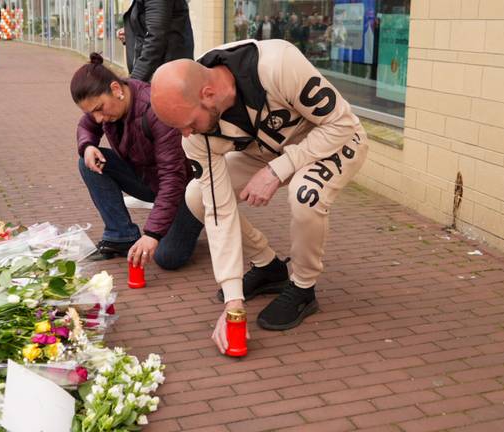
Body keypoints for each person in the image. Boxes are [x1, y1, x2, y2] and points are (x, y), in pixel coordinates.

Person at [150, 39, 368, 352]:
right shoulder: (196, 137)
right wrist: (233, 303)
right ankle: (268, 267)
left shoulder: (277, 64)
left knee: (305, 194)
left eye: (188, 124)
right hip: (270, 152)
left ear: (208, 94)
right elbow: (218, 212)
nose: (186, 135)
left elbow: (341, 123)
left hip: (333, 140)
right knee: (197, 196)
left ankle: (303, 287)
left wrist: (278, 170)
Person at [71, 52, 203, 269]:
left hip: (185, 190)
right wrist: (87, 146)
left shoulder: (155, 110)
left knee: (168, 258)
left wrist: (152, 234)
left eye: (98, 109)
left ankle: (197, 216)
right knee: (88, 164)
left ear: (115, 89)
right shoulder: (108, 106)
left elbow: (173, 178)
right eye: (91, 113)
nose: (98, 118)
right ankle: (121, 236)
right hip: (150, 181)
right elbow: (87, 125)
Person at [117, 0, 193, 82]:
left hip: (162, 76)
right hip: (157, 73)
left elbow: (156, 38)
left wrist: (135, 81)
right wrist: (132, 32)